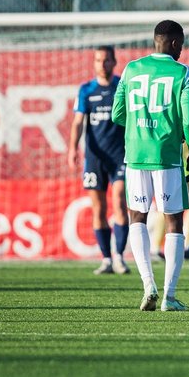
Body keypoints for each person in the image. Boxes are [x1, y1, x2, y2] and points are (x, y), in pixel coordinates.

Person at [111, 20, 189, 312]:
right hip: (166, 155)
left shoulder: (131, 69)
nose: (182, 50)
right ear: (174, 44)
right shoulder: (184, 74)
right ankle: (169, 296)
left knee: (138, 216)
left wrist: (140, 128)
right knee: (173, 220)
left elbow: (117, 113)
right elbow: (188, 120)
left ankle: (148, 285)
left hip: (135, 153)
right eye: (182, 44)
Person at [68, 46, 130, 275]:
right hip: (94, 157)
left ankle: (119, 257)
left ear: (114, 63)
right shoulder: (86, 90)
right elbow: (77, 122)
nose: (102, 64)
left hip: (120, 156)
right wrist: (72, 148)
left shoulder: (121, 87)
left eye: (106, 60)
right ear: (94, 63)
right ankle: (106, 259)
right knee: (99, 208)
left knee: (120, 202)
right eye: (98, 60)